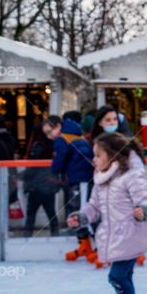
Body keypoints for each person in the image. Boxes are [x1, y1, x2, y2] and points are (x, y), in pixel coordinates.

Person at [66, 133, 147, 294]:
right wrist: (82, 217)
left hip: (131, 235)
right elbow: (94, 207)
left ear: (113, 156)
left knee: (117, 276)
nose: (94, 160)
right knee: (122, 277)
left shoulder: (131, 175)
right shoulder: (101, 178)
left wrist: (143, 210)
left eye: (98, 155)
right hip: (114, 237)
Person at [45, 112, 96, 261]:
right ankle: (85, 245)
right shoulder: (74, 135)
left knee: (82, 210)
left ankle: (97, 246)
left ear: (58, 126)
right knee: (78, 210)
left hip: (81, 178)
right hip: (80, 177)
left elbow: (59, 159)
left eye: (49, 131)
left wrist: (54, 170)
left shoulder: (62, 139)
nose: (49, 136)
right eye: (46, 133)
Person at [22, 127, 60, 237]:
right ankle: (55, 235)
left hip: (37, 185)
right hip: (49, 184)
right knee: (51, 212)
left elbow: (33, 167)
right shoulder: (51, 145)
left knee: (31, 214)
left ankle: (27, 236)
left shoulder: (37, 146)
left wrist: (24, 177)